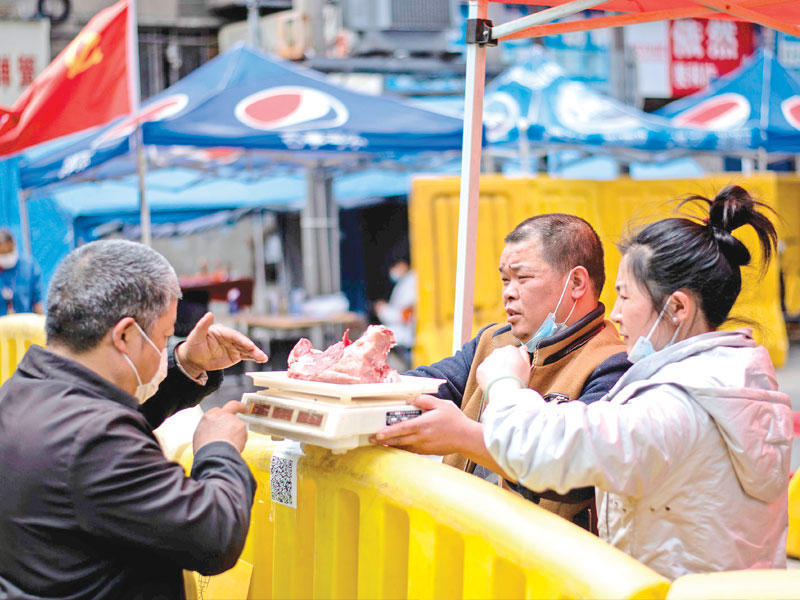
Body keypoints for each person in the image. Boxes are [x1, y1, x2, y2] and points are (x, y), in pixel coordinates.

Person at [476, 186, 792, 578]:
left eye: (625, 297)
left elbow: (544, 451)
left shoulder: (680, 406)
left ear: (677, 307)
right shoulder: (737, 380)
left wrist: (504, 383)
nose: (617, 314)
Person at [0, 239, 269, 599]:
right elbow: (213, 537)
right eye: (162, 337)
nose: (163, 349)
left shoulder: (21, 395)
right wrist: (218, 450)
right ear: (125, 334)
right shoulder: (95, 440)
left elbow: (100, 424)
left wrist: (185, 362)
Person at [374, 214, 630, 528]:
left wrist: (462, 436)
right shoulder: (494, 341)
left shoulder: (613, 364)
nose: (508, 293)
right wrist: (363, 378)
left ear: (576, 283)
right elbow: (428, 385)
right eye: (505, 280)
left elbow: (575, 472)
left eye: (522, 278)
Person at [374, 256, 417, 370]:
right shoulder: (404, 282)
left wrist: (383, 310)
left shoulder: (412, 280)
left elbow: (406, 315)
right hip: (402, 334)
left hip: (408, 336)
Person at [0, 228, 43, 315]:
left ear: (13, 243)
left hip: (25, 323)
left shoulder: (29, 266)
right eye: (2, 254)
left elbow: (37, 301)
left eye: (9, 251)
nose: (6, 256)